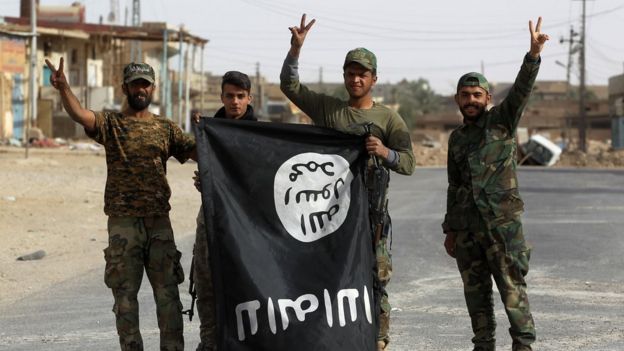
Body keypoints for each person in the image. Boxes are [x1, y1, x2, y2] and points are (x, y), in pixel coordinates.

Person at [280, 14, 415, 351]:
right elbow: (290, 87)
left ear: (374, 79)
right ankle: (332, 336)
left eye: (362, 74)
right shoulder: (329, 110)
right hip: (331, 215)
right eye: (351, 73)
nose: (356, 79)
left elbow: (409, 162)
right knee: (328, 277)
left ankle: (379, 339)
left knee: (376, 277)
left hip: (371, 217)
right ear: (344, 76)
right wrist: (295, 50)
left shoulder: (387, 118)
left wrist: (386, 152)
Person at [45, 58, 196, 351]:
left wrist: (217, 133)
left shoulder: (166, 128)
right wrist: (64, 88)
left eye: (145, 84)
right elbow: (80, 114)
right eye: (135, 84)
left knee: (168, 299)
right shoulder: (111, 123)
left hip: (158, 223)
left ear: (153, 88)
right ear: (125, 87)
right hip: (123, 224)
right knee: (125, 300)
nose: (141, 89)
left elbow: (198, 153)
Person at [442, 17, 549, 351]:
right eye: (465, 95)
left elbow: (521, 90)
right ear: (457, 99)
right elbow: (453, 184)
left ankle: (523, 344)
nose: (471, 99)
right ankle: (483, 344)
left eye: (477, 94)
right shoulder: (456, 139)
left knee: (512, 288)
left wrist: (532, 55)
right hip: (468, 232)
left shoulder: (502, 122)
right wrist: (450, 229)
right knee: (475, 295)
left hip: (502, 229)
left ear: (487, 97)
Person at [192, 71, 257, 351]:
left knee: (247, 280)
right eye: (229, 96)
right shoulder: (210, 131)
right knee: (206, 278)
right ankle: (210, 341)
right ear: (221, 97)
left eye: (240, 96)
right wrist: (203, 182)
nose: (235, 102)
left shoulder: (260, 134)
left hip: (248, 219)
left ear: (249, 98)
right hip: (213, 212)